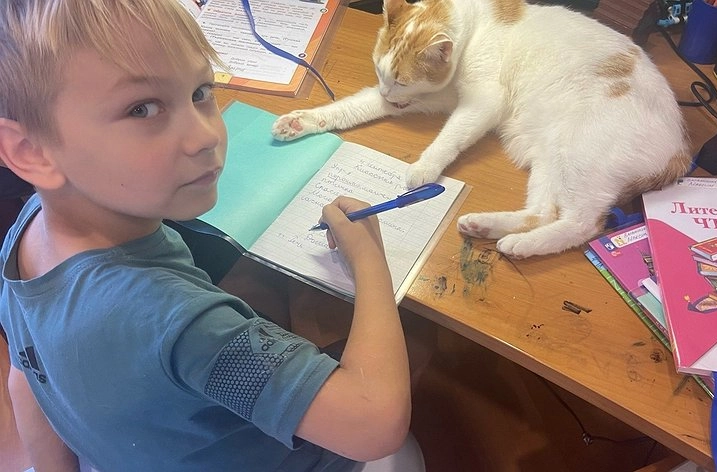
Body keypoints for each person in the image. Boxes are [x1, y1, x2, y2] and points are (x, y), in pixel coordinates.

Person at [0, 0, 421, 470]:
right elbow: (373, 424)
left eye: (201, 91)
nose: (205, 136)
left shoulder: (29, 231)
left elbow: (25, 376)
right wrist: (369, 260)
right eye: (142, 109)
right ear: (30, 151)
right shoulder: (182, 321)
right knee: (411, 411)